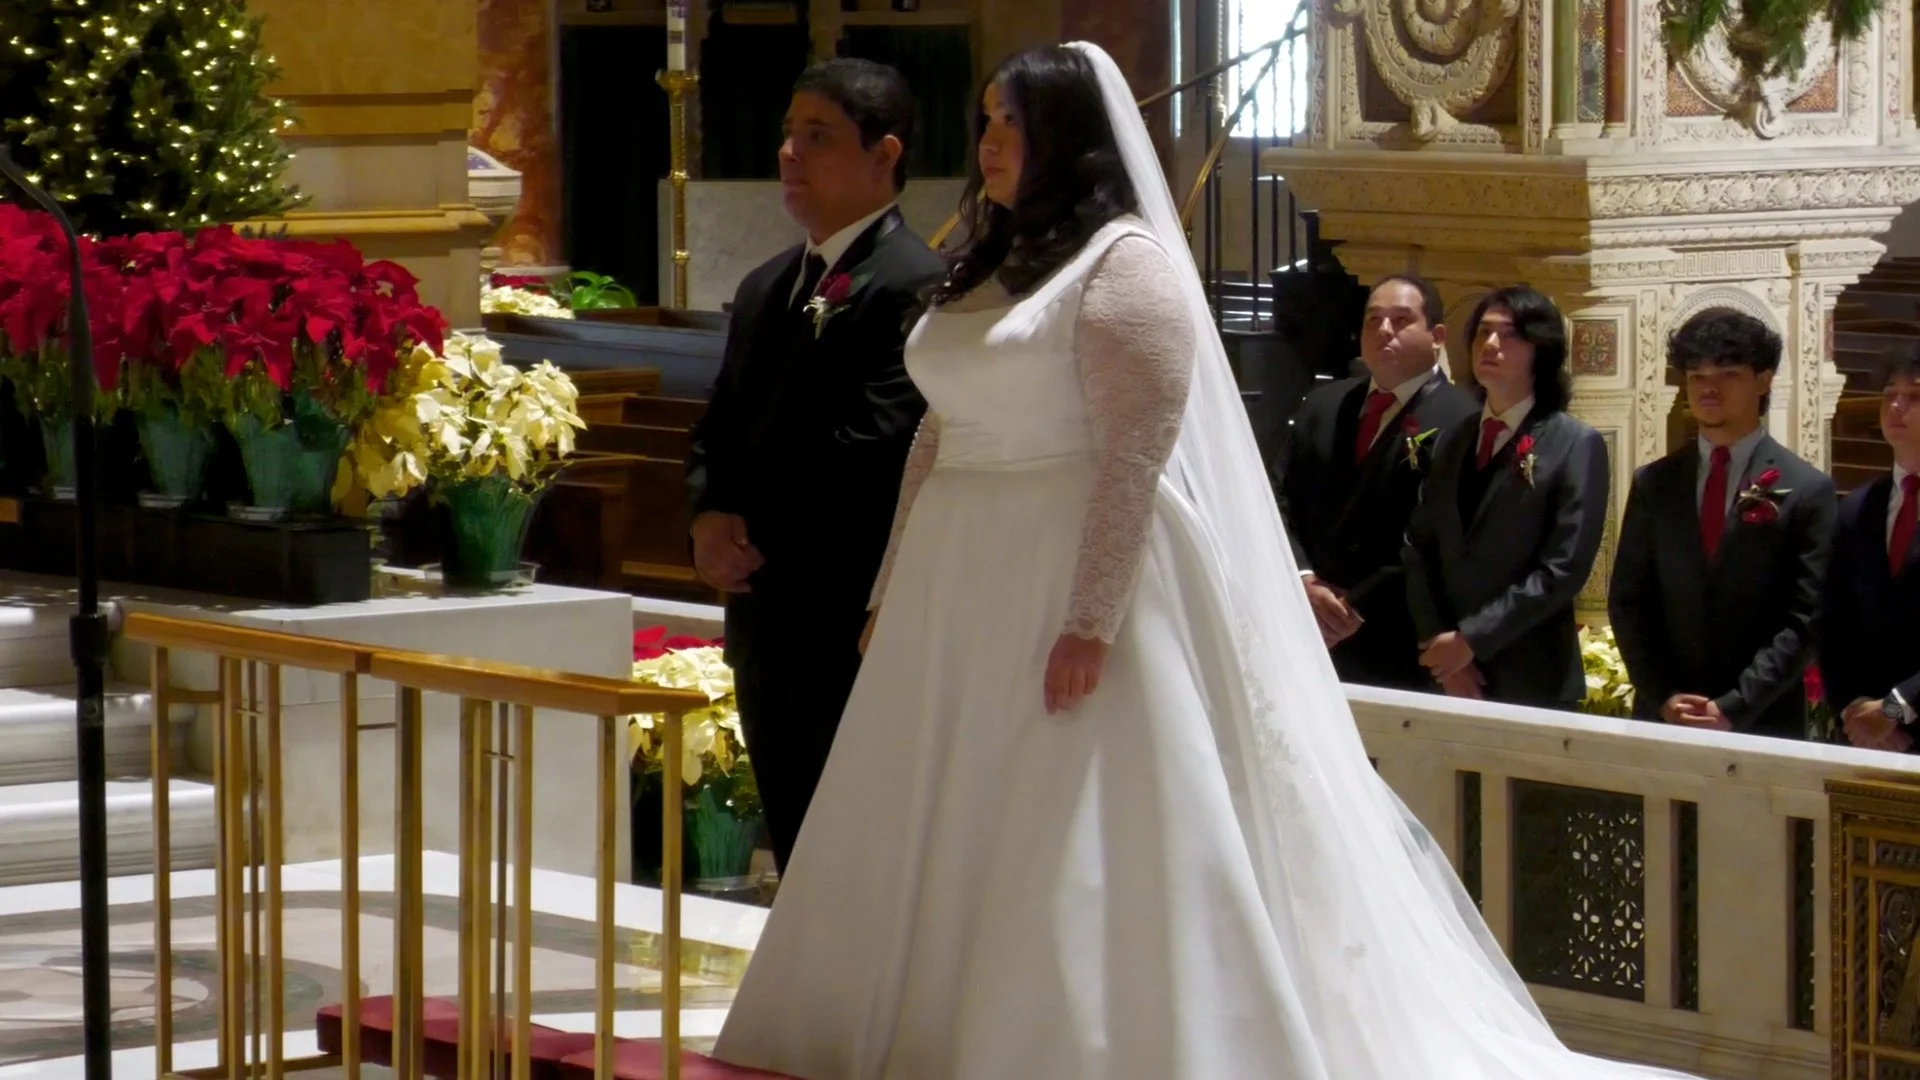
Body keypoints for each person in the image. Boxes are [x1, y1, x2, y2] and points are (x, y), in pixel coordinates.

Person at [711, 43, 1700, 1080]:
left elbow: (1138, 447)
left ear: (1068, 138)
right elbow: (935, 432)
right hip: (960, 576)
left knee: (1064, 811)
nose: (991, 142)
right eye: (989, 121)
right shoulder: (989, 256)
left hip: (1072, 562)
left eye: (1013, 121)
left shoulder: (1126, 262)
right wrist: (893, 583)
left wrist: (1090, 618)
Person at [684, 58, 946, 872]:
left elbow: (877, 442)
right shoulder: (767, 286)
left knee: (860, 850)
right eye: (789, 134)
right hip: (763, 614)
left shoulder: (917, 286)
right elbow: (719, 426)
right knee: (796, 840)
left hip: (844, 609)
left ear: (885, 153)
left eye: (818, 136)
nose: (790, 153)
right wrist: (705, 513)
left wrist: (753, 524)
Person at [1609, 310, 1834, 739]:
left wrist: (1734, 706)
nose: (1708, 389)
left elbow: (1804, 619)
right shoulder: (1655, 482)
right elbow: (1629, 600)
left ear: (1763, 381)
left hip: (1760, 721)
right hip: (1666, 717)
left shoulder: (1806, 490)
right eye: (1696, 376)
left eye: (1728, 375)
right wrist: (1662, 696)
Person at [1402, 286, 1611, 707]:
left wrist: (1472, 640)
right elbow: (1419, 546)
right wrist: (1443, 648)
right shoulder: (1452, 440)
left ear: (1541, 350)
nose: (1490, 345)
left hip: (1531, 677)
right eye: (1482, 333)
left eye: (1509, 335)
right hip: (1448, 673)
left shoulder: (1574, 444)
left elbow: (1563, 568)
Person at [1273, 273, 1476, 688]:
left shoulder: (1463, 420)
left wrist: (1354, 608)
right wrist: (1302, 580)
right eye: (1373, 320)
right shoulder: (1324, 404)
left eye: (1401, 320)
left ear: (1437, 335)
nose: (1384, 331)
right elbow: (1276, 496)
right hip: (1302, 626)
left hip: (1394, 641)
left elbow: (1434, 538)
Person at [1827, 345, 1920, 752]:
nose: (1896, 405)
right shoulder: (1856, 507)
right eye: (1888, 394)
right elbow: (1831, 623)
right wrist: (1854, 713)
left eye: (1915, 395)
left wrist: (1895, 711)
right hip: (1864, 739)